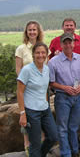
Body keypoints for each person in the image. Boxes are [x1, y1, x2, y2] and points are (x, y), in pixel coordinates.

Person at [48, 33, 80, 157]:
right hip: (62, 98)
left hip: (77, 97)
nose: (68, 45)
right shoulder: (53, 62)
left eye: (70, 42)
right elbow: (51, 82)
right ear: (61, 45)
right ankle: (66, 153)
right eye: (65, 43)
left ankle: (74, 151)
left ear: (74, 44)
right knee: (63, 128)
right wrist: (64, 88)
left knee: (74, 127)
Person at [17, 42, 58, 157]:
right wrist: (22, 113)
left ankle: (38, 154)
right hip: (31, 111)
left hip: (45, 110)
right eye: (37, 52)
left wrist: (46, 104)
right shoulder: (27, 70)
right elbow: (19, 92)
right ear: (33, 54)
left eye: (43, 52)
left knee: (53, 136)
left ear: (46, 54)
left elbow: (45, 89)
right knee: (35, 143)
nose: (40, 55)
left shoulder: (46, 69)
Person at [15, 21, 44, 156]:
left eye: (34, 30)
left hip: (41, 90)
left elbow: (46, 68)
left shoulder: (43, 47)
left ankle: (41, 149)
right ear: (26, 32)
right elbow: (18, 69)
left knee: (41, 118)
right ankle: (28, 149)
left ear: (38, 32)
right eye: (29, 30)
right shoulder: (21, 48)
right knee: (26, 120)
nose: (32, 32)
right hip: (27, 89)